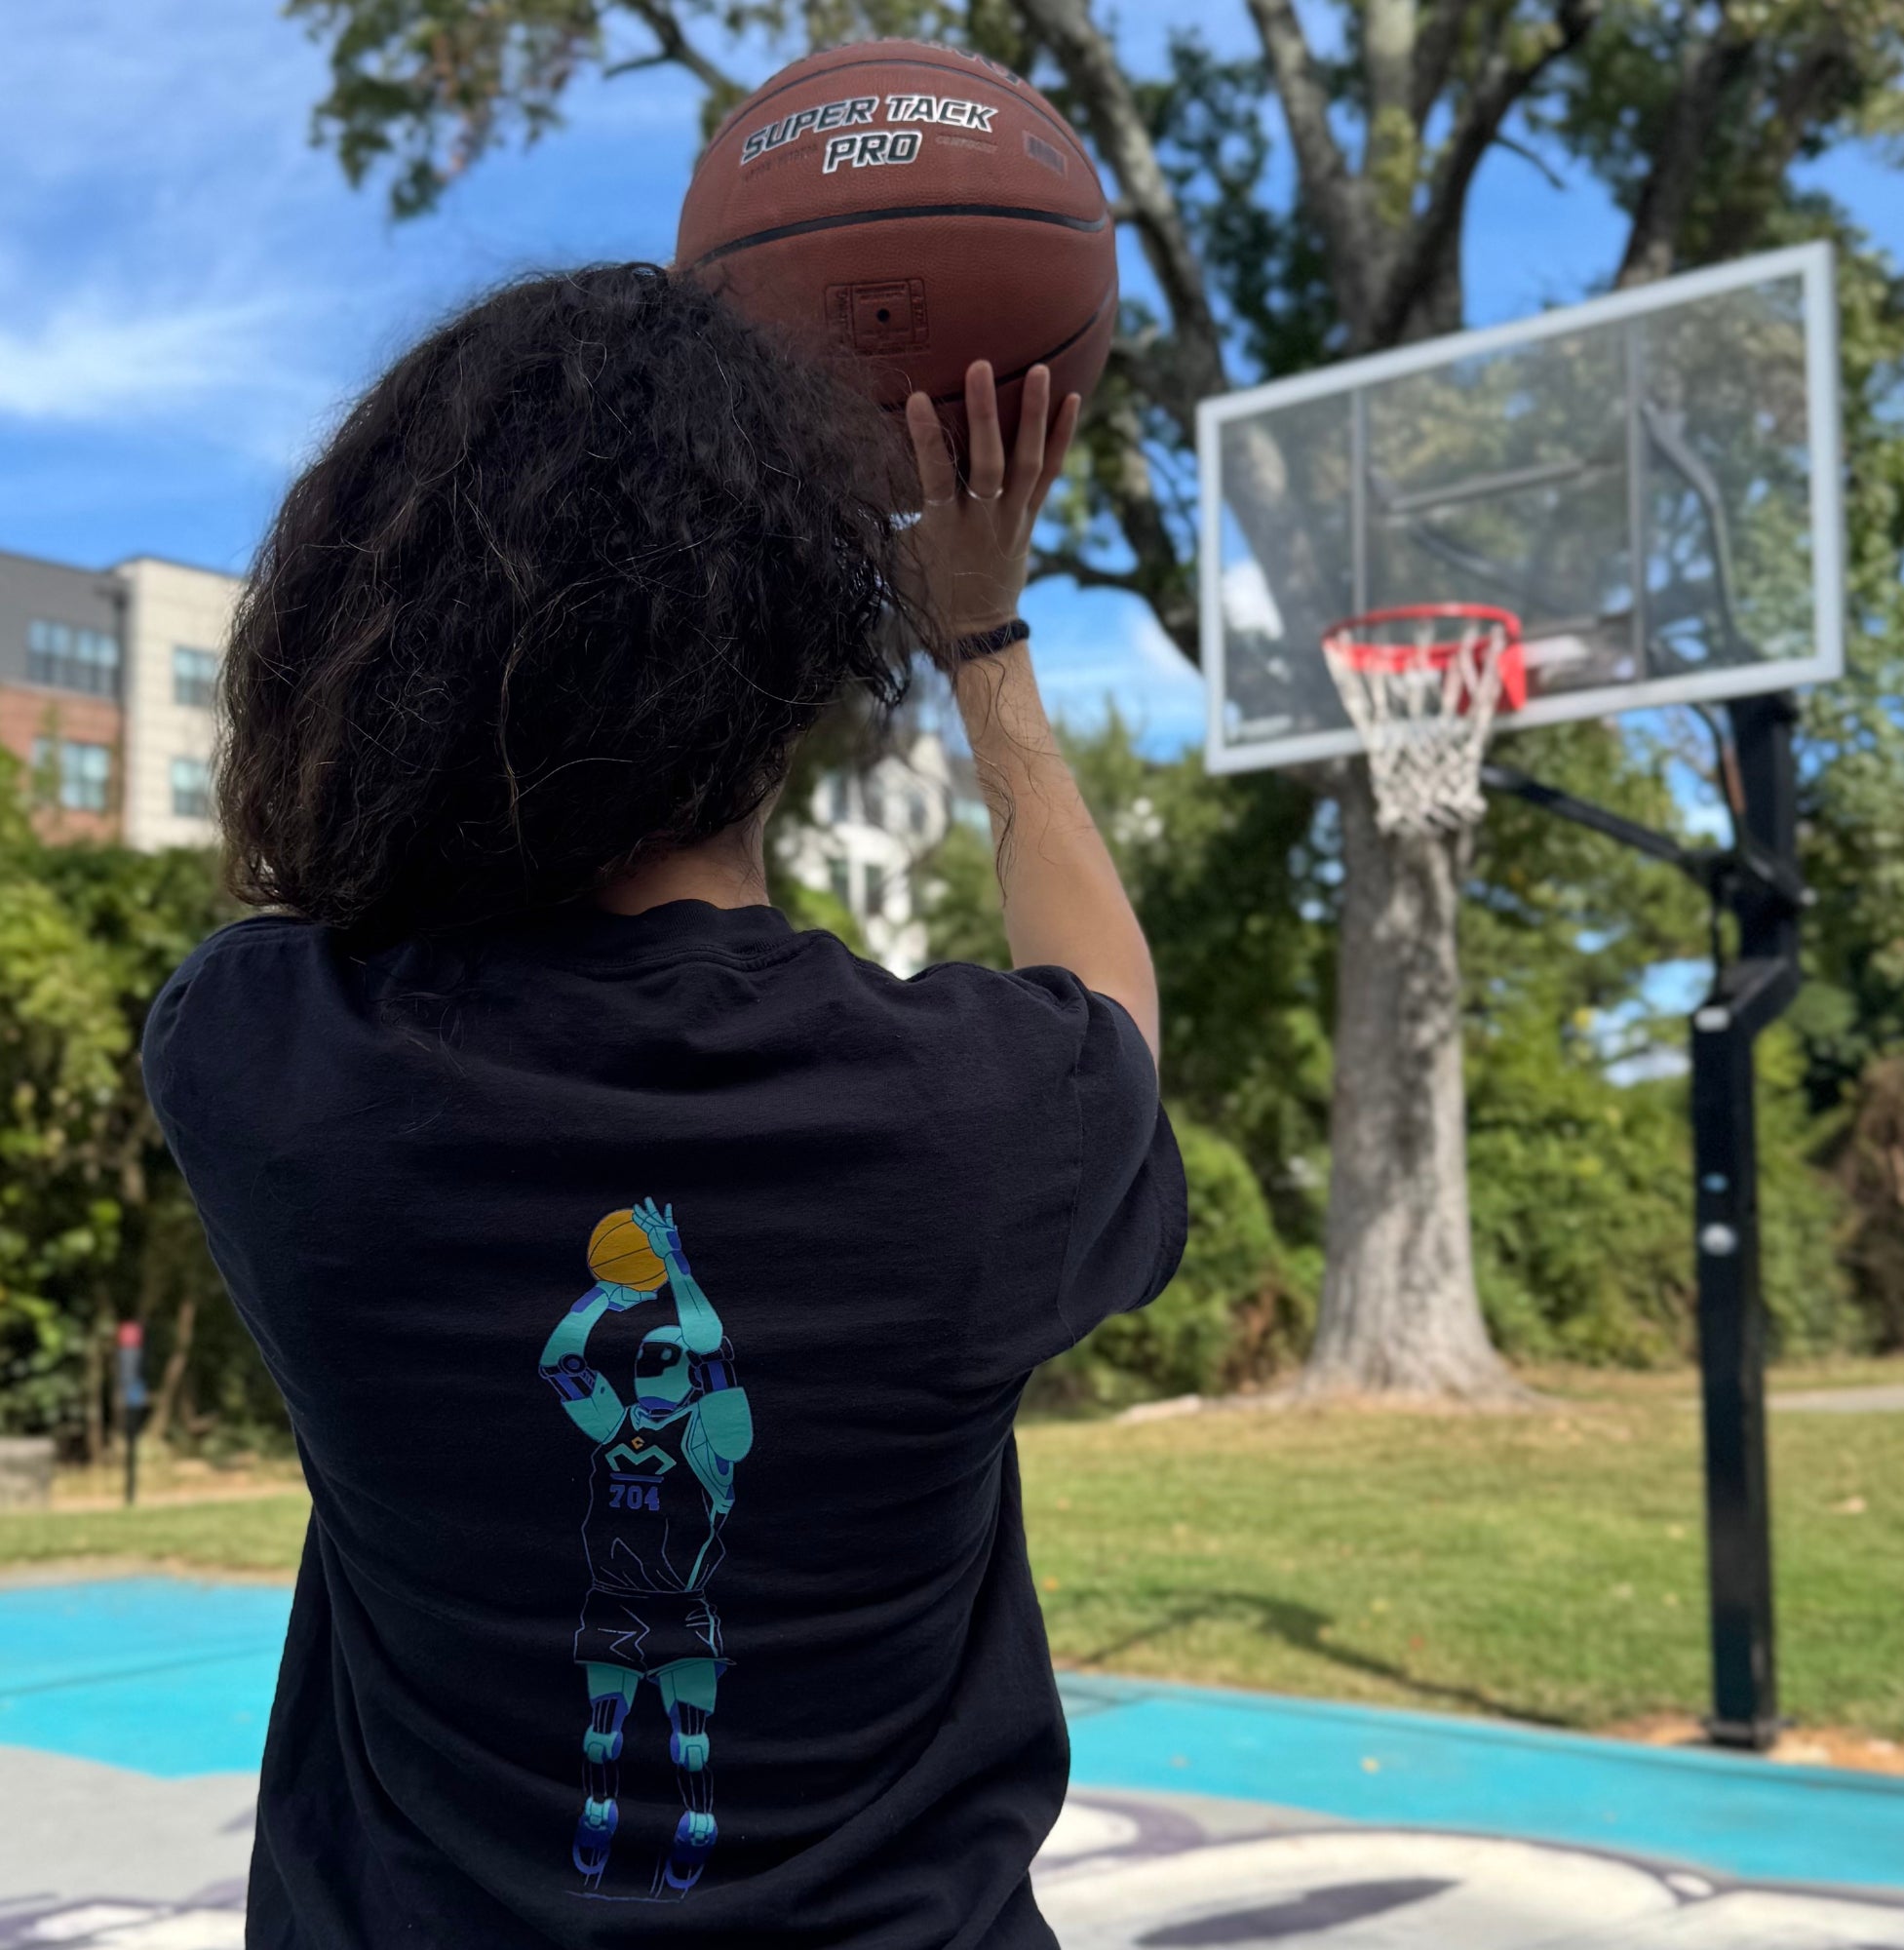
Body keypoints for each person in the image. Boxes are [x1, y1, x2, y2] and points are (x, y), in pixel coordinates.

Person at [143, 263, 1185, 1949]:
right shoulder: (990, 1115)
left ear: (366, 633)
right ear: (791, 673)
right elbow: (1116, 1016)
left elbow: (345, 887)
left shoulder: (258, 1062)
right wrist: (981, 637)